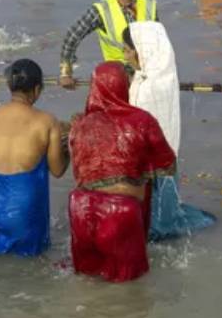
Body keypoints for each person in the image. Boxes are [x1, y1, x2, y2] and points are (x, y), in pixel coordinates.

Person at [68, 62, 176, 282]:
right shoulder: (142, 121)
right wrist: (142, 170)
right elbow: (168, 165)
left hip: (79, 207)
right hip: (120, 211)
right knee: (129, 291)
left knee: (86, 283)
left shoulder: (80, 124)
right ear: (123, 87)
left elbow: (78, 172)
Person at [124, 22, 215, 240]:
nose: (125, 55)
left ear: (141, 51)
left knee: (151, 216)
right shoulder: (163, 75)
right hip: (167, 155)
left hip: (150, 161)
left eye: (127, 50)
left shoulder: (145, 87)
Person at [0, 59, 68, 256]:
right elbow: (57, 170)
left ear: (9, 86)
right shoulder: (47, 122)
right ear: (37, 89)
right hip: (23, 215)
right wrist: (68, 147)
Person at [59, 0, 156, 86]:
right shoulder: (101, 10)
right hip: (118, 77)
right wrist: (66, 73)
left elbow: (160, 44)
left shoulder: (149, 4)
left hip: (148, 74)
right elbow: (72, 37)